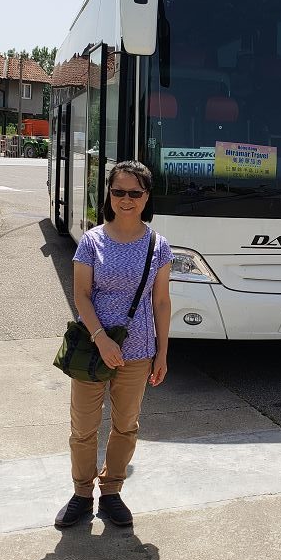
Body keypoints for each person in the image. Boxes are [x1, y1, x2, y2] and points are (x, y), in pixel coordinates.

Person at [55, 160, 172, 529]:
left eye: (135, 193)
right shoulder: (92, 241)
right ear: (109, 194)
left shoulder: (158, 245)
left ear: (147, 197)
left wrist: (162, 353)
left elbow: (161, 302)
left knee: (125, 425)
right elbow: (81, 295)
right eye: (118, 191)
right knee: (83, 427)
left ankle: (111, 491)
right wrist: (101, 338)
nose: (126, 199)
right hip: (92, 350)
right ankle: (81, 493)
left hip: (138, 351)